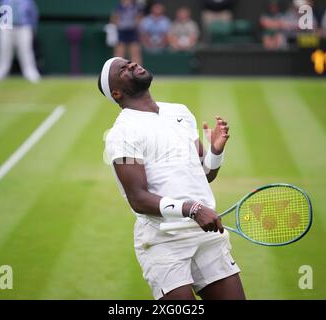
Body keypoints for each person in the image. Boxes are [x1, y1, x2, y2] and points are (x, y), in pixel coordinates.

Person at [99, 57, 245, 300]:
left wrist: (216, 152)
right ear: (116, 93)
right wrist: (193, 209)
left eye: (129, 62)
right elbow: (138, 198)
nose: (132, 65)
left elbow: (205, 174)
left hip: (206, 234)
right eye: (123, 69)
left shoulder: (180, 112)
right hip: (163, 241)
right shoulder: (121, 133)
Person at [0, 0, 41, 83]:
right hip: (6, 27)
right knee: (4, 50)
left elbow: (34, 13)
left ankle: (30, 73)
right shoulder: (5, 0)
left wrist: (33, 27)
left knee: (26, 51)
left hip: (23, 27)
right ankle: (1, 72)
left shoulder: (27, 1)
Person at [111, 0, 143, 65]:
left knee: (135, 52)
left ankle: (137, 71)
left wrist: (137, 25)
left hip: (132, 30)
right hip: (121, 31)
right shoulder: (118, 7)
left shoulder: (136, 7)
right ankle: (118, 70)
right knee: (119, 52)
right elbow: (114, 19)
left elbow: (139, 19)